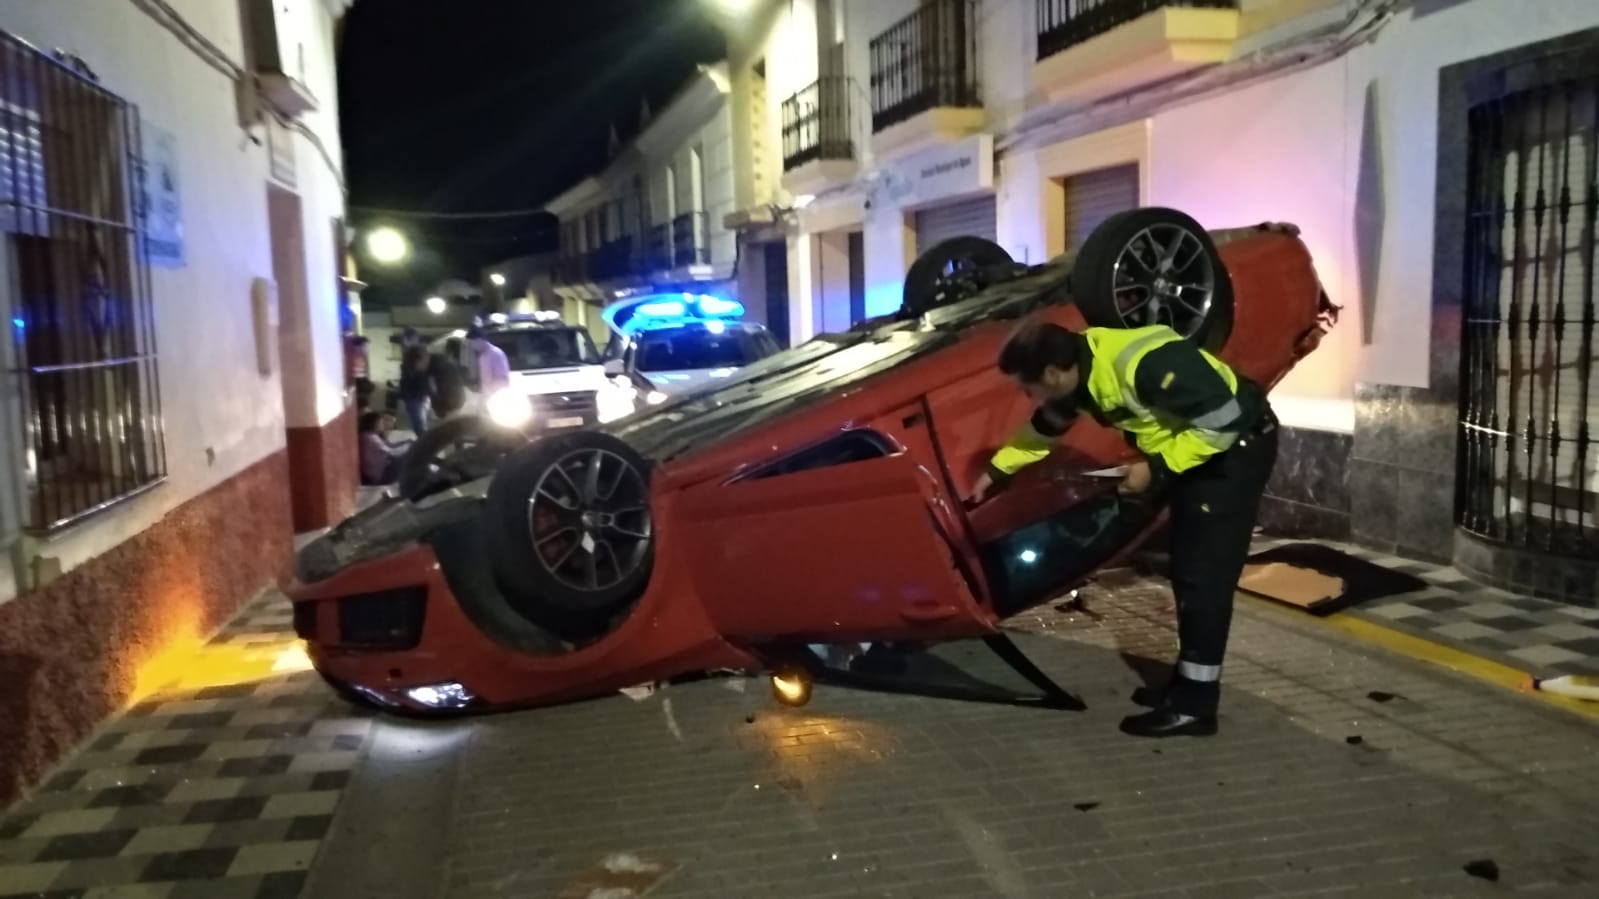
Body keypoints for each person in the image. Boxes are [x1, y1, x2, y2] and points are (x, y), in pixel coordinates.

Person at [972, 316, 1279, 739]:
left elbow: (1225, 419)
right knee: (1189, 571)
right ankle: (1188, 686)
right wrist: (996, 471)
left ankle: (1195, 708)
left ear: (1052, 373)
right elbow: (1047, 425)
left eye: (1028, 387)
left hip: (1233, 450)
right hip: (1199, 451)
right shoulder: (1083, 367)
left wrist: (1154, 470)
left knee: (1203, 577)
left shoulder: (1143, 363)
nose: (1028, 397)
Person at [358, 410, 409, 486]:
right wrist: (408, 447)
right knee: (409, 456)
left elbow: (389, 445)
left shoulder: (371, 435)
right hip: (380, 476)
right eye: (381, 422)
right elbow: (392, 453)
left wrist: (406, 443)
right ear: (374, 424)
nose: (383, 424)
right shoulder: (370, 438)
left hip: (381, 470)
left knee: (408, 453)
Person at [466, 326, 511, 398]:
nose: (471, 347)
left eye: (471, 343)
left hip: (497, 397)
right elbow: (485, 379)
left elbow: (502, 378)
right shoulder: (482, 356)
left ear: (479, 340)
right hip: (487, 396)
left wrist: (495, 396)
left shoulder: (496, 353)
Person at [428, 339, 468, 419]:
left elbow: (433, 385)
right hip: (453, 402)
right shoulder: (453, 366)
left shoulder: (444, 365)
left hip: (447, 403)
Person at [397, 344, 432, 434]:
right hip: (415, 398)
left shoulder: (412, 370)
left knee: (420, 424)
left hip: (417, 397)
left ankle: (423, 442)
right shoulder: (411, 371)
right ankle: (424, 443)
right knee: (420, 424)